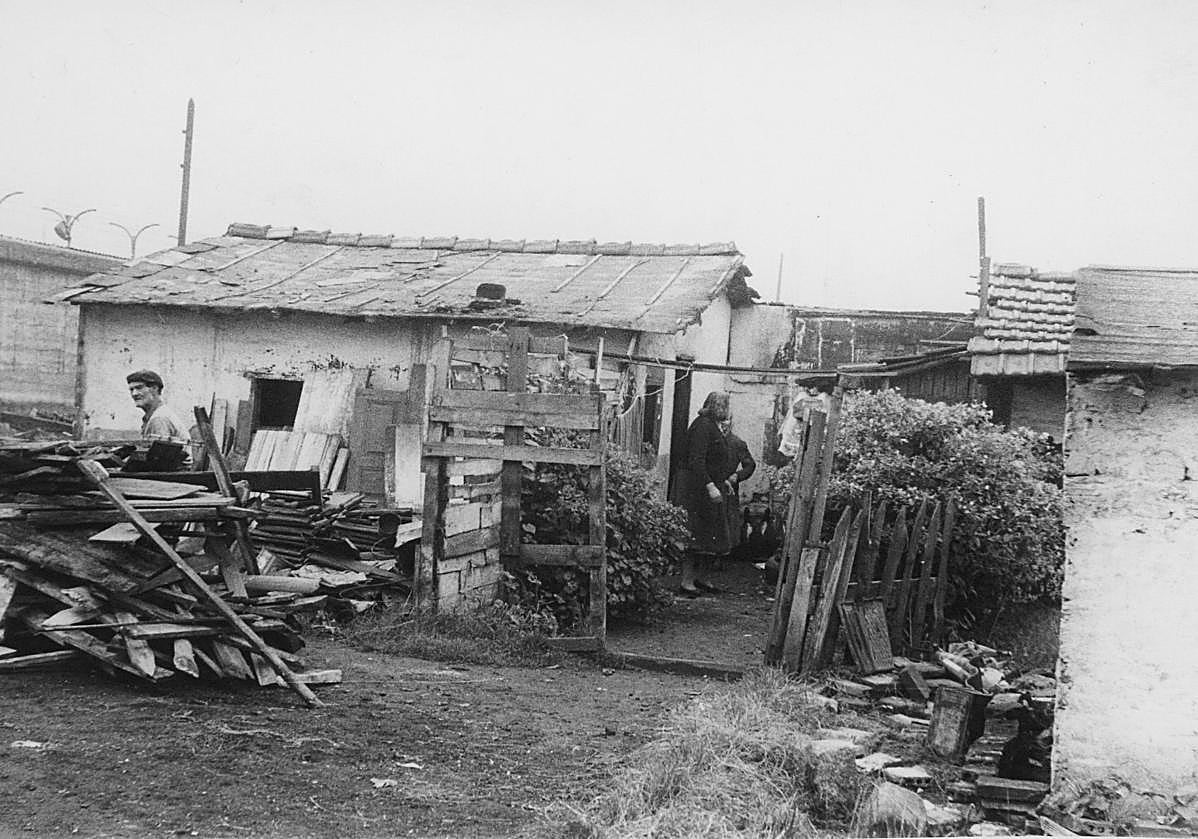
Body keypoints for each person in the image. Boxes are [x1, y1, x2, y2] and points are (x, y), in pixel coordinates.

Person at [671, 391, 735, 597]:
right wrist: (710, 486)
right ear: (717, 407)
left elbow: (713, 459)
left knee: (711, 535)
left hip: (709, 486)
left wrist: (722, 480)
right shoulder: (702, 426)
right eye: (724, 406)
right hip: (696, 490)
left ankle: (701, 578)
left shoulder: (712, 426)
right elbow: (696, 461)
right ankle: (687, 582)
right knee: (695, 537)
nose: (727, 410)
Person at [127, 369, 193, 470]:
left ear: (154, 388)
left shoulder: (159, 418)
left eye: (139, 388)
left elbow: (160, 463)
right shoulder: (155, 415)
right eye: (131, 390)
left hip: (175, 476)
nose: (134, 394)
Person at [721, 417, 757, 558]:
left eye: (726, 424)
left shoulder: (737, 443)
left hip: (728, 488)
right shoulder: (708, 440)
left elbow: (750, 465)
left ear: (731, 424)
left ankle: (722, 556)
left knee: (726, 521)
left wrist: (737, 476)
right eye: (720, 424)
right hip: (710, 484)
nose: (723, 427)